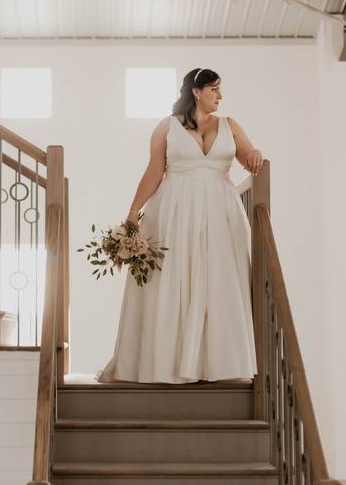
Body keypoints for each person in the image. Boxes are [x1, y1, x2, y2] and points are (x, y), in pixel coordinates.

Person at [96, 67, 265, 384]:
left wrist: (254, 152)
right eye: (214, 89)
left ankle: (219, 363)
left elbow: (247, 157)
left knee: (219, 278)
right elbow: (154, 171)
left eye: (220, 89)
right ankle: (165, 361)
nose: (220, 95)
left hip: (221, 210)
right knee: (173, 279)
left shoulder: (230, 125)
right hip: (173, 210)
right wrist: (134, 210)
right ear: (195, 91)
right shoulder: (167, 127)